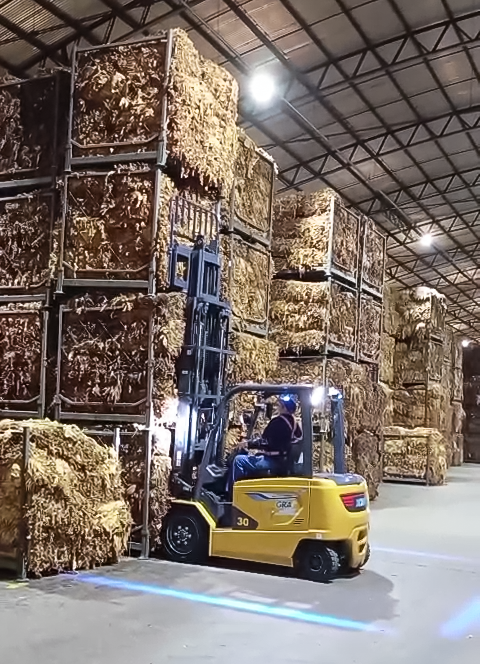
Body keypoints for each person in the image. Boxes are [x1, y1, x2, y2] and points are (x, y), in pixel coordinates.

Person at [226, 394, 302, 497]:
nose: (277, 407)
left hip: (273, 461)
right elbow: (277, 441)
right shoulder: (294, 423)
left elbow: (265, 441)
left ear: (284, 407)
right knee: (249, 457)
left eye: (279, 405)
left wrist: (248, 443)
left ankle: (232, 495)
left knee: (239, 460)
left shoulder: (278, 423)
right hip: (283, 460)